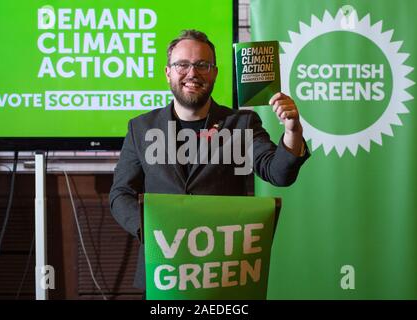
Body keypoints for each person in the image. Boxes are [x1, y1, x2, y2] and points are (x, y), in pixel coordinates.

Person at [109, 30, 310, 291]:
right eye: (182, 64)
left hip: (226, 270)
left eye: (202, 65)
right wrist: (151, 230)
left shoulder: (241, 124)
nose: (192, 73)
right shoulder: (141, 128)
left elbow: (280, 173)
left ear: (214, 73)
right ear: (168, 72)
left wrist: (293, 130)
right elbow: (120, 193)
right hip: (162, 269)